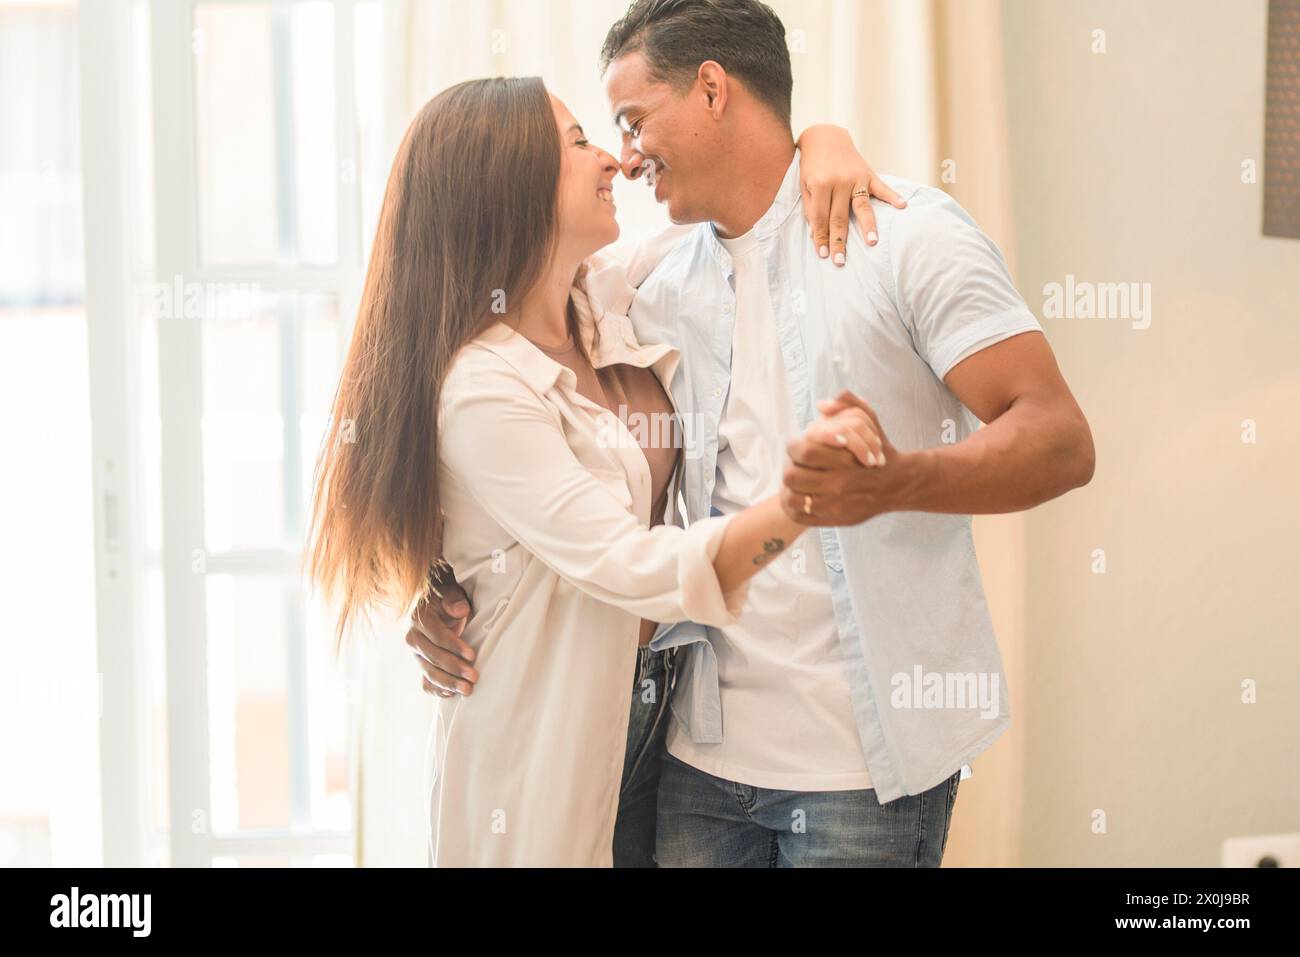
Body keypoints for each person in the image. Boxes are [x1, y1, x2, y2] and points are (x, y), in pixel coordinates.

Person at [410, 0, 1096, 868]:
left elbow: (1061, 438)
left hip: (862, 773)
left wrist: (895, 482)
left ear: (710, 90)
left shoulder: (908, 237)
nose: (623, 155)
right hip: (695, 759)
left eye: (631, 120)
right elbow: (489, 371)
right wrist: (445, 579)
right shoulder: (648, 276)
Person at [306, 71, 897, 865]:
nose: (613, 163)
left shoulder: (605, 301)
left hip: (663, 729)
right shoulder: (482, 390)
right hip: (542, 754)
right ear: (507, 185)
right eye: (579, 142)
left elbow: (746, 210)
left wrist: (825, 139)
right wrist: (795, 506)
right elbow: (629, 561)